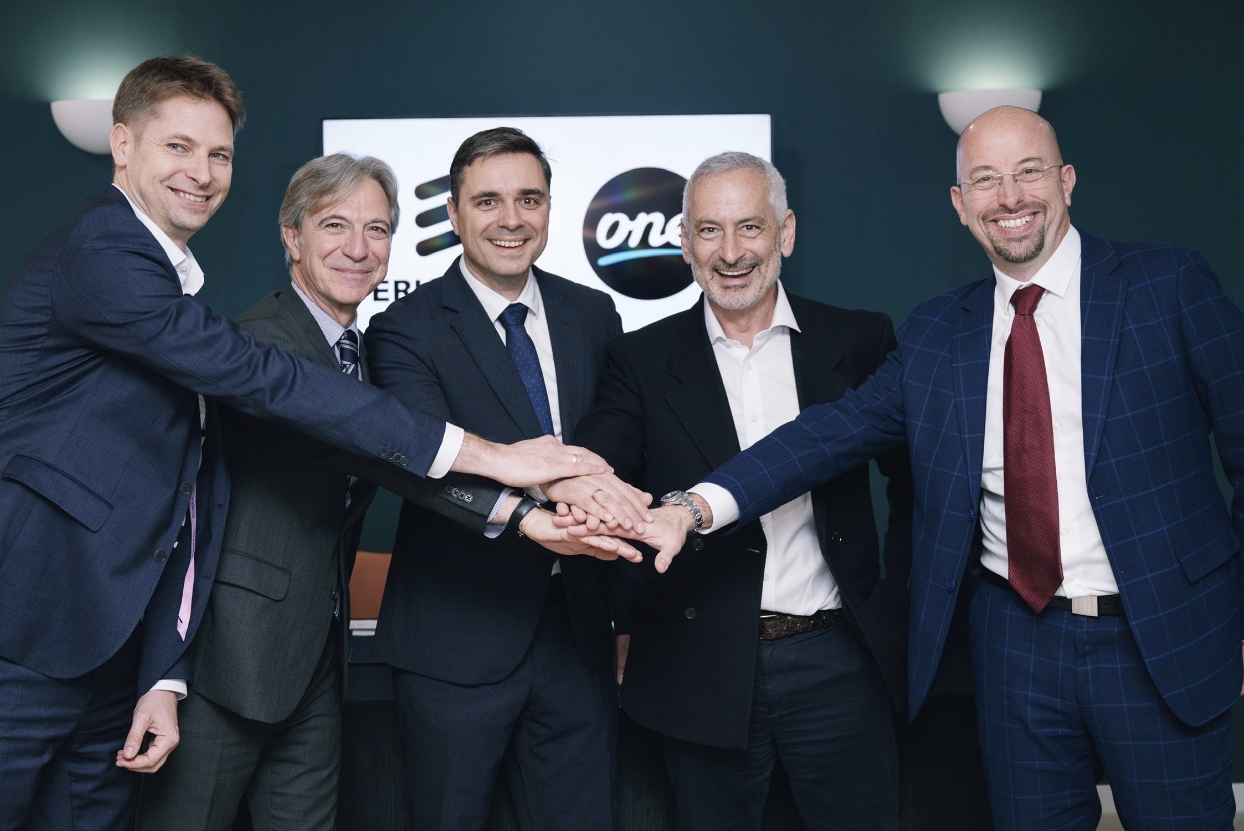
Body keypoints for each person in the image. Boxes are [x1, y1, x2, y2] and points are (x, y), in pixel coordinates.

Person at [0, 58, 626, 830]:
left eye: (219, 154)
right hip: (13, 620)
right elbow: (275, 386)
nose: (201, 172)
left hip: (119, 644)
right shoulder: (105, 250)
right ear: (121, 144)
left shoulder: (184, 285)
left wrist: (155, 670)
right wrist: (498, 461)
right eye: (178, 147)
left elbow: (185, 500)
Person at [635, 106, 1244, 829]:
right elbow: (828, 433)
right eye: (985, 180)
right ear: (960, 203)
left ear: (1067, 181)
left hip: (1160, 636)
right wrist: (694, 507)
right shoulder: (936, 332)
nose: (1009, 197)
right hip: (1015, 646)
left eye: (1028, 172)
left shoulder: (1166, 284)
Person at [134, 154, 621, 829]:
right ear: (291, 237)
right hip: (229, 659)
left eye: (378, 229)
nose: (358, 249)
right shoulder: (265, 343)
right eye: (335, 225)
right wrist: (521, 507)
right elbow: (364, 447)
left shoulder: (355, 349)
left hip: (314, 656)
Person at [572, 151, 912, 831]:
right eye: (709, 230)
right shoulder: (640, 359)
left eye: (750, 227)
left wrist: (895, 611)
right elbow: (604, 475)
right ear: (684, 242)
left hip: (838, 659)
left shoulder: (860, 338)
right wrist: (624, 615)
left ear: (786, 232)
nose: (730, 253)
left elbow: (917, 489)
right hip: (698, 663)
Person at [364, 127, 627, 830]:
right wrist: (535, 512)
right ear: (453, 213)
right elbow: (418, 463)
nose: (511, 219)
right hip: (455, 637)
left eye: (528, 199)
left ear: (549, 208)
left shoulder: (593, 314)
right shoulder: (404, 328)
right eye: (487, 201)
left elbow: (615, 438)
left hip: (577, 635)